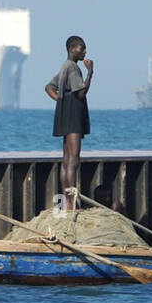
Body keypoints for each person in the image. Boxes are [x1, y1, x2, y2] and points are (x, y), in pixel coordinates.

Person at [45, 35, 93, 210]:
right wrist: (90, 73)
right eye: (82, 48)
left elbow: (49, 87)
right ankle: (71, 202)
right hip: (73, 116)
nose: (85, 51)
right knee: (73, 159)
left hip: (64, 115)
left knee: (66, 159)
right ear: (72, 49)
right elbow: (81, 93)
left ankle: (66, 200)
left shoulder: (64, 67)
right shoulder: (73, 68)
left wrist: (61, 102)